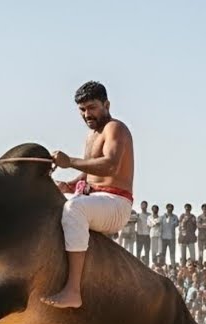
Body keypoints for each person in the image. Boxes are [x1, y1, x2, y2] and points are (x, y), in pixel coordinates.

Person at [42, 81, 135, 309]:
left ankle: (73, 291)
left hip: (116, 204)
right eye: (82, 110)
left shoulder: (115, 128)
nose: (87, 114)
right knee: (49, 203)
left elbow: (110, 166)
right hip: (93, 200)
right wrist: (68, 185)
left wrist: (69, 161)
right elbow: (88, 174)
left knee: (74, 209)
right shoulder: (91, 136)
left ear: (106, 105)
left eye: (92, 107)